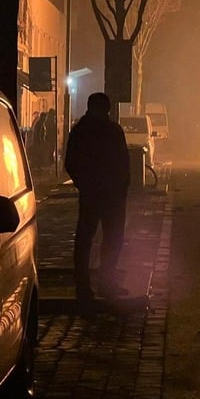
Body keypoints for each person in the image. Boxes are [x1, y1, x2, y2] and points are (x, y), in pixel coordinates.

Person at [64, 92, 131, 301]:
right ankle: (102, 283)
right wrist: (121, 186)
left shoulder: (81, 132)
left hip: (96, 194)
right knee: (106, 239)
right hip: (105, 194)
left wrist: (83, 184)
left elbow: (71, 163)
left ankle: (89, 285)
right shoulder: (111, 131)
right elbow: (123, 162)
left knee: (91, 239)